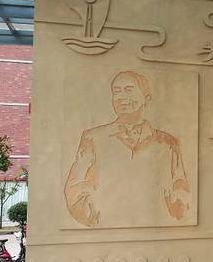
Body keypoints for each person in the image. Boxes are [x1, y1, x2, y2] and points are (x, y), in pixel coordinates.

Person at [64, 70, 190, 228]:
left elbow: (180, 183)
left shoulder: (167, 142)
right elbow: (75, 185)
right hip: (108, 226)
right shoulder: (93, 137)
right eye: (116, 92)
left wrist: (174, 211)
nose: (121, 97)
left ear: (146, 98)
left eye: (129, 90)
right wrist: (94, 216)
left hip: (154, 226)